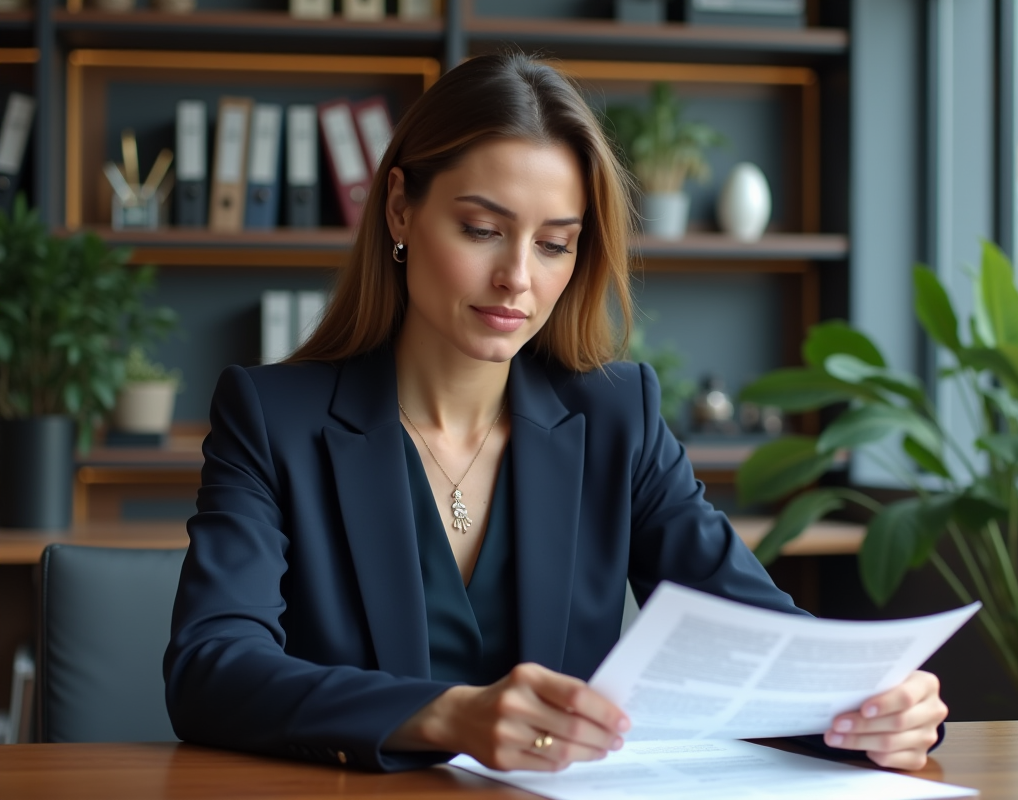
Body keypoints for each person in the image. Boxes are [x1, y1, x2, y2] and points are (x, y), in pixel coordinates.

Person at [164, 52, 948, 775]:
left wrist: (885, 708)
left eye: (554, 244)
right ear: (399, 208)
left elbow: (761, 641)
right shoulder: (272, 419)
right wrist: (445, 716)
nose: (517, 278)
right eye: (482, 231)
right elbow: (211, 668)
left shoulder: (618, 418)